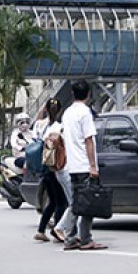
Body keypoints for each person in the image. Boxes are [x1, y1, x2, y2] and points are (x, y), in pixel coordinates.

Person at [55, 80, 108, 251]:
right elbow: (89, 140)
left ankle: (70, 238)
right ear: (88, 94)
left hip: (72, 166)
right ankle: (85, 239)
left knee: (77, 203)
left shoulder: (67, 113)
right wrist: (93, 166)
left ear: (72, 94)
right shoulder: (85, 113)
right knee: (88, 204)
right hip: (85, 165)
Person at [32, 98, 68, 242]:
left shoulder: (39, 126)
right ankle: (58, 230)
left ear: (46, 109)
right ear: (59, 110)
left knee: (53, 201)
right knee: (61, 202)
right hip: (55, 167)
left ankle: (41, 230)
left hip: (44, 167)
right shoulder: (60, 127)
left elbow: (34, 142)